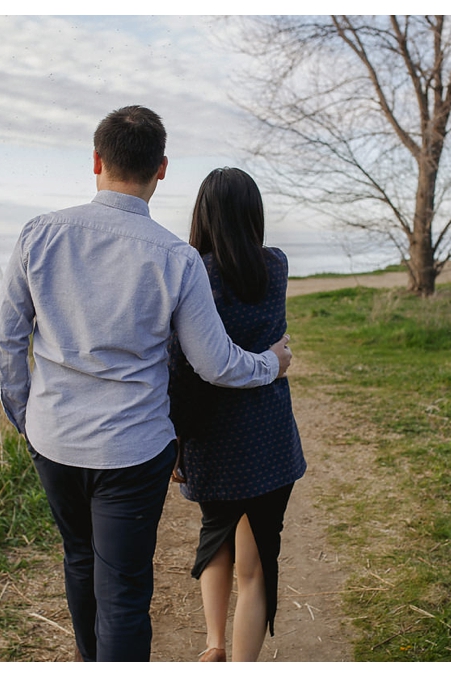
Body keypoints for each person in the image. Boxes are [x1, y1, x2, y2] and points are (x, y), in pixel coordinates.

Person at [0, 106, 293, 662]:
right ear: (163, 168)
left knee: (79, 561)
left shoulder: (40, 234)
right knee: (124, 590)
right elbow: (216, 364)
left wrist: (28, 420)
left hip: (55, 441)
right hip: (132, 450)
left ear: (97, 161)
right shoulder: (176, 257)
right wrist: (272, 363)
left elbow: (4, 342)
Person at [168, 167, 307, 662]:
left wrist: (175, 439)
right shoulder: (277, 266)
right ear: (254, 215)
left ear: (203, 215)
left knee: (215, 534)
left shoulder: (194, 273)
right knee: (256, 563)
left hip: (213, 436)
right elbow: (275, 346)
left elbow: (182, 365)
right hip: (269, 437)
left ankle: (214, 645)